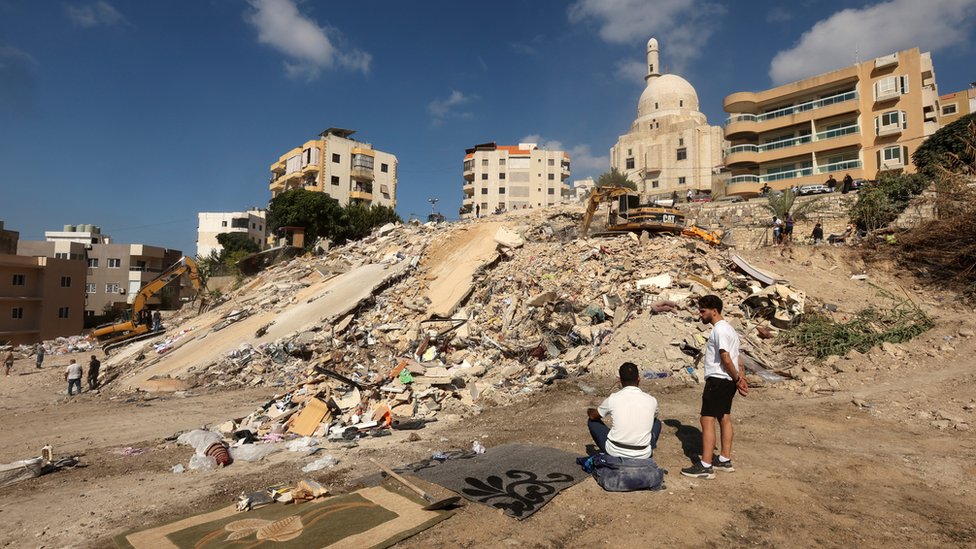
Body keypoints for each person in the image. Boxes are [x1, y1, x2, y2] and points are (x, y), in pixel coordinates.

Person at [681, 295, 748, 479]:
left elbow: (725, 356)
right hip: (727, 380)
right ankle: (724, 459)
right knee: (724, 417)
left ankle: (705, 465)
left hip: (718, 379)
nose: (700, 315)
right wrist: (740, 376)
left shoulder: (719, 330)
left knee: (706, 420)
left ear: (714, 311)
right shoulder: (730, 330)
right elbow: (738, 357)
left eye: (703, 311)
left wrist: (736, 378)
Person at [586, 362, 661, 459]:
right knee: (657, 423)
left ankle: (611, 455)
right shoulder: (651, 400)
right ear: (639, 379)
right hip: (643, 454)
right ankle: (648, 449)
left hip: (615, 451)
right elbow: (653, 417)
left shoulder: (613, 398)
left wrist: (589, 410)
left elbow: (593, 416)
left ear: (620, 381)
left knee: (592, 422)